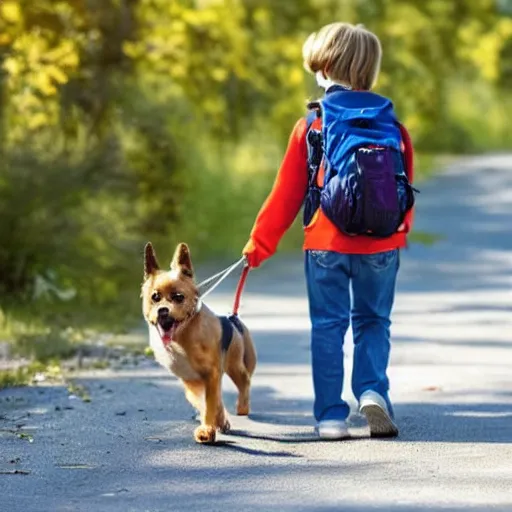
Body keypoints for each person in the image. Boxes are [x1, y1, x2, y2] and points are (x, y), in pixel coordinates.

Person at [242, 22, 415, 440]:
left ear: (322, 70)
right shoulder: (391, 123)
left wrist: (259, 245)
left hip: (325, 240)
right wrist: (398, 234)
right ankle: (373, 392)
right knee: (374, 321)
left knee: (328, 327)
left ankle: (331, 418)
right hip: (381, 244)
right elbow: (405, 186)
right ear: (368, 71)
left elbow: (286, 193)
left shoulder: (314, 126)